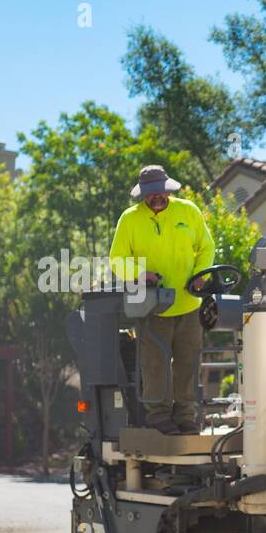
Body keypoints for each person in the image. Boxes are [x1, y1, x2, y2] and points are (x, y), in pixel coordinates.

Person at [108, 165, 215, 435]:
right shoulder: (129, 219)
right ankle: (159, 417)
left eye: (160, 192)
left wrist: (200, 275)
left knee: (188, 361)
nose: (156, 197)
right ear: (142, 194)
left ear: (168, 189)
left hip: (189, 303)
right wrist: (140, 274)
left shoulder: (188, 211)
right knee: (154, 363)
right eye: (150, 193)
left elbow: (207, 246)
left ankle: (186, 418)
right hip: (153, 306)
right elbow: (116, 259)